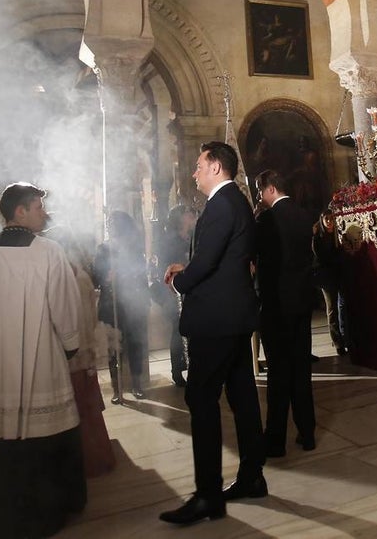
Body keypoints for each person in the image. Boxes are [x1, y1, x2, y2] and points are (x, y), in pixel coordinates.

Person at [0, 182, 86, 539]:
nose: (45, 213)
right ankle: (43, 515)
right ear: (21, 212)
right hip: (39, 361)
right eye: (39, 207)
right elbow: (66, 310)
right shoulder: (50, 253)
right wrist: (72, 346)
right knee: (38, 435)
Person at [160, 142, 266, 526]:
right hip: (233, 316)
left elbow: (205, 263)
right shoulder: (232, 203)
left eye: (199, 165)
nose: (195, 172)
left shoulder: (222, 205)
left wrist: (179, 279)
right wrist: (189, 268)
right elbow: (220, 259)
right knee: (241, 395)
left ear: (217, 167)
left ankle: (207, 496)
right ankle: (252, 476)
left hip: (217, 321)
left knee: (201, 398)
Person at [254, 169, 318, 458]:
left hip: (276, 307)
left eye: (260, 191)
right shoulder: (304, 215)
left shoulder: (266, 220)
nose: (259, 197)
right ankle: (307, 433)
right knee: (301, 370)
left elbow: (257, 261)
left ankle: (275, 440)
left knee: (279, 373)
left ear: (269, 189)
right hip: (302, 302)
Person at [51, 228, 115, 478]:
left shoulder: (66, 276)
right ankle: (100, 456)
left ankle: (90, 462)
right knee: (88, 410)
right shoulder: (79, 274)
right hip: (83, 351)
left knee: (80, 412)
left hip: (72, 354)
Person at [94, 211, 150, 400]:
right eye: (109, 223)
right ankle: (117, 389)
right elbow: (96, 276)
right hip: (111, 303)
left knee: (135, 344)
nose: (111, 226)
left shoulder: (134, 248)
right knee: (114, 346)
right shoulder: (103, 249)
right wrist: (106, 277)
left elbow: (142, 272)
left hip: (132, 302)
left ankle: (136, 384)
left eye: (114, 223)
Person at [153, 204, 197, 387]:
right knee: (178, 331)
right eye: (189, 213)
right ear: (181, 218)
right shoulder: (169, 241)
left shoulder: (192, 237)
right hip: (175, 292)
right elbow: (166, 267)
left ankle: (192, 366)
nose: (192, 215)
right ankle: (177, 371)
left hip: (192, 290)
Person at [312, 210, 347, 355]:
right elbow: (321, 258)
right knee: (331, 308)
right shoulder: (318, 238)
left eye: (331, 219)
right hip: (326, 277)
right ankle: (338, 342)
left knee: (342, 305)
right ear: (322, 220)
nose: (329, 222)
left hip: (338, 274)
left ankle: (344, 336)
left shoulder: (337, 235)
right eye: (326, 219)